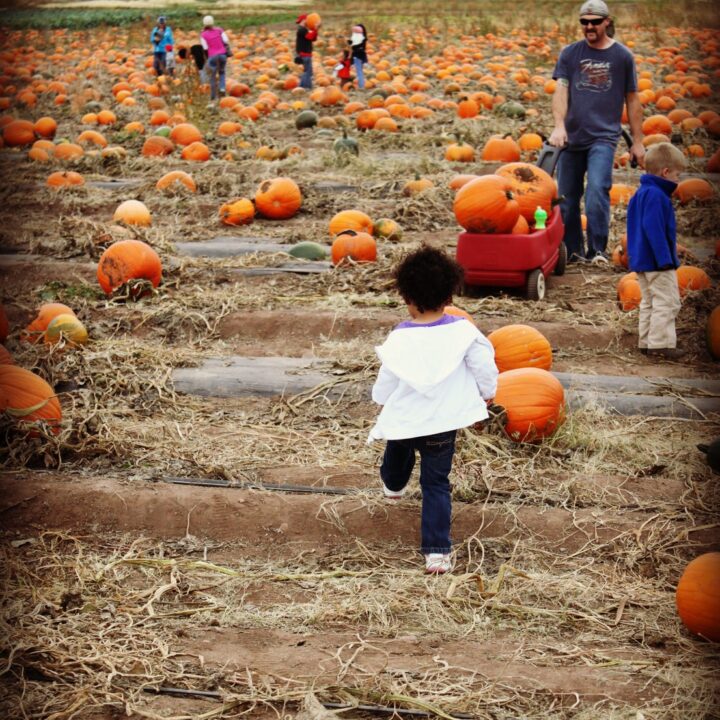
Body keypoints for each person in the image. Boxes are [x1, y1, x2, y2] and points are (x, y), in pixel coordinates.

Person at [368, 246, 498, 575]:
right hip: (442, 422)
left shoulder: (400, 337)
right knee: (436, 484)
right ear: (448, 296)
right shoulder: (464, 331)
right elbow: (484, 364)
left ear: (407, 297)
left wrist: (380, 398)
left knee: (397, 451)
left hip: (407, 419)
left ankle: (393, 486)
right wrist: (488, 394)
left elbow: (387, 377)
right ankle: (437, 553)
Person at [549, 0, 645, 264]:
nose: (589, 26)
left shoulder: (622, 57)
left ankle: (597, 250)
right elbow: (561, 90)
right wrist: (559, 126)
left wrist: (638, 142)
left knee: (597, 192)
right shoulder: (570, 54)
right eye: (584, 22)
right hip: (571, 137)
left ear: (606, 22)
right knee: (565, 199)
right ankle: (573, 252)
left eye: (594, 21)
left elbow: (633, 101)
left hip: (603, 136)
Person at [626, 143, 686, 360]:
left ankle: (646, 342)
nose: (679, 180)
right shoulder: (657, 196)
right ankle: (661, 344)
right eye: (678, 175)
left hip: (643, 261)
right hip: (657, 262)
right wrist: (665, 259)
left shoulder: (641, 193)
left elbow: (634, 227)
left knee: (649, 301)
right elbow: (654, 228)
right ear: (666, 172)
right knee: (667, 301)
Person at [201, 15, 231, 102]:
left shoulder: (203, 34)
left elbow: (205, 48)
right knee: (222, 72)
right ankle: (222, 89)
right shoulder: (219, 30)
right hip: (222, 55)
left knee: (212, 76)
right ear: (212, 22)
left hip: (212, 56)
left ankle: (213, 96)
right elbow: (226, 40)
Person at [295, 14, 319, 89]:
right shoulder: (301, 30)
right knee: (308, 71)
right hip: (304, 54)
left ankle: (302, 86)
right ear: (304, 21)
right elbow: (310, 36)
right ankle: (307, 87)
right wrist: (315, 29)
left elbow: (313, 38)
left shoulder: (305, 30)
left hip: (306, 54)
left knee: (307, 71)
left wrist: (315, 30)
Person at [349, 24, 367, 90]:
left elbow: (354, 53)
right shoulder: (361, 43)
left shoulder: (357, 45)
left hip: (357, 59)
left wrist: (351, 62)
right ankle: (361, 85)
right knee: (359, 72)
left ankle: (361, 86)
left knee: (359, 72)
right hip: (358, 59)